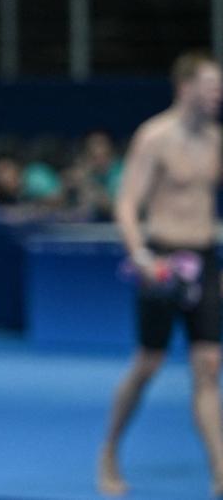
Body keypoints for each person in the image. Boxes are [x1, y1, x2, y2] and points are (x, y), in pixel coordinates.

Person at [98, 51, 223, 496]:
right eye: (211, 86)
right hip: (163, 262)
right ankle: (110, 450)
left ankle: (219, 474)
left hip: (205, 260)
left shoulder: (216, 139)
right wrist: (142, 255)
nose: (218, 94)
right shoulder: (154, 137)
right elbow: (127, 203)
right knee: (149, 364)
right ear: (185, 87)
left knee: (208, 365)